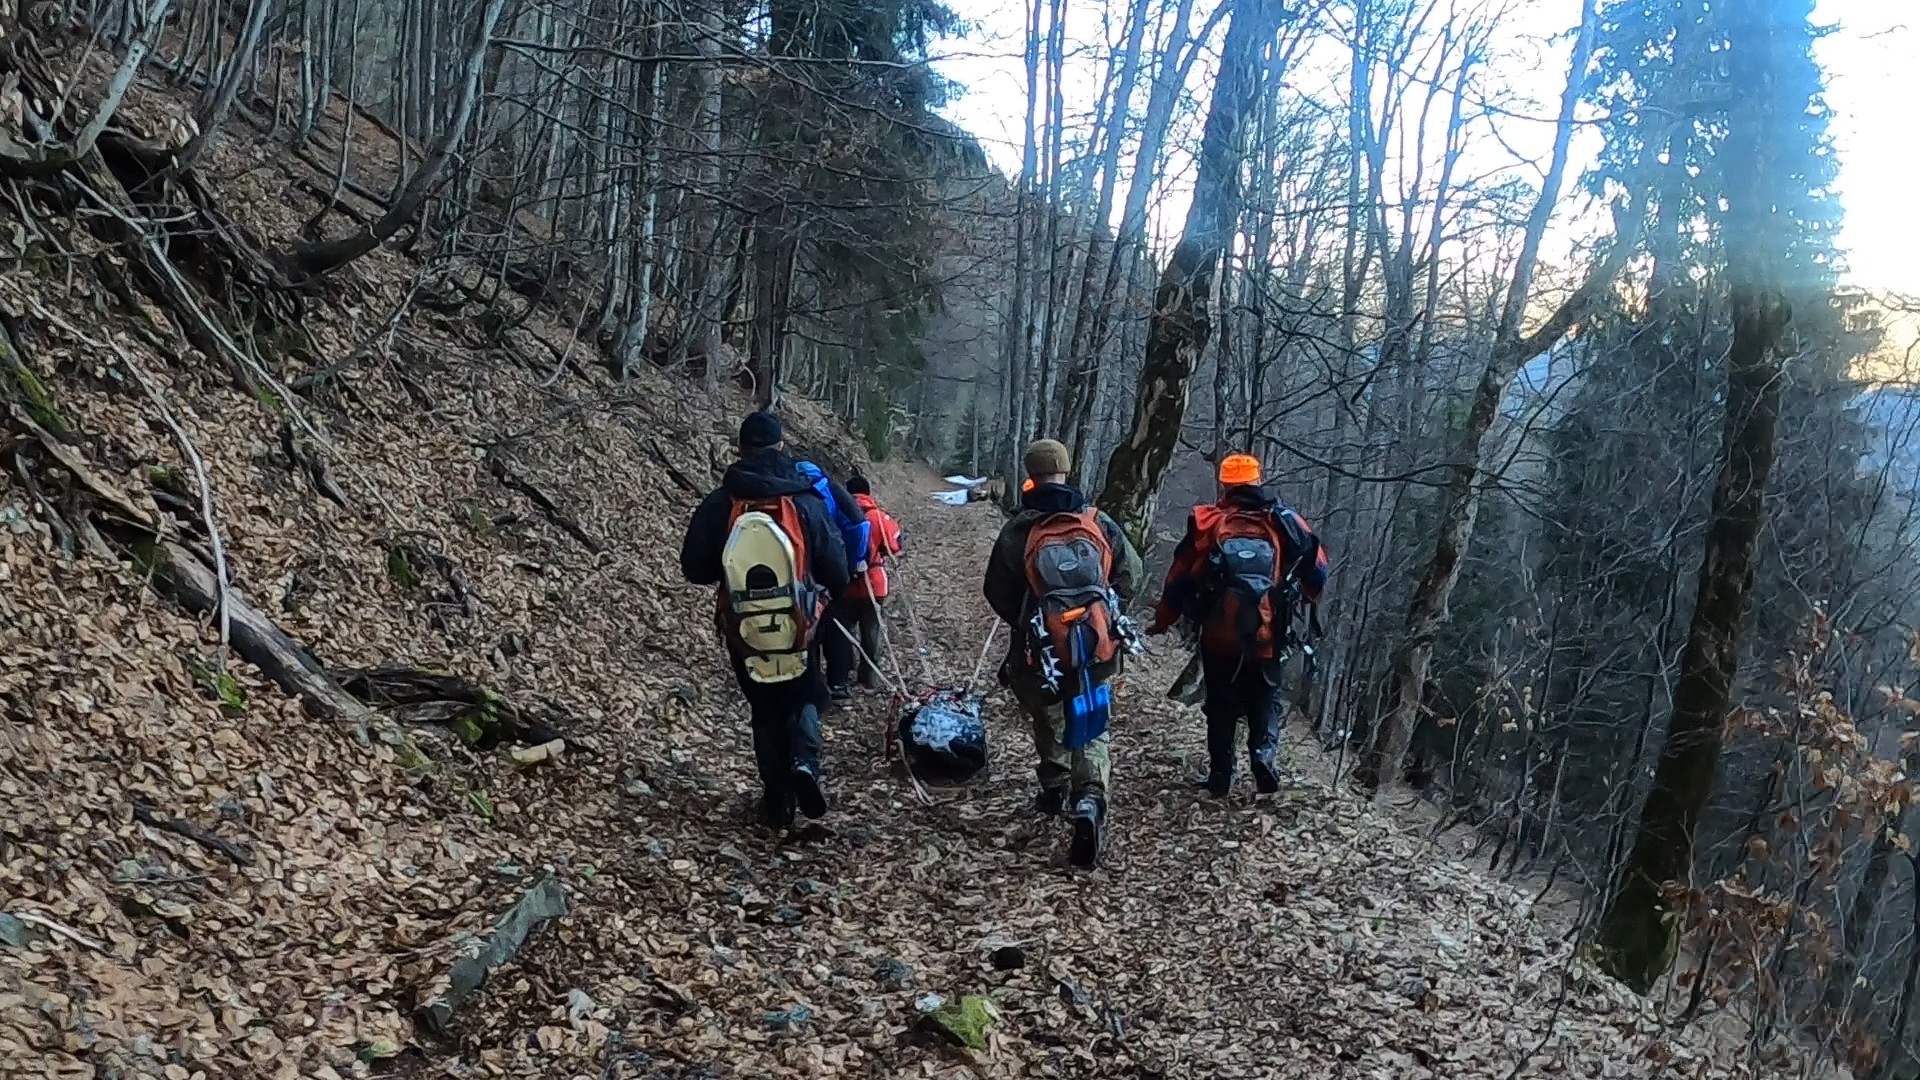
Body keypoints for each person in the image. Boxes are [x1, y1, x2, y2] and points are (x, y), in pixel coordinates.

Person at [680, 411, 851, 829]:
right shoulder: (805, 501)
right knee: (806, 694)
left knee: (764, 708)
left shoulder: (722, 503)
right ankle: (805, 762)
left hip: (745, 630)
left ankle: (776, 803)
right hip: (800, 624)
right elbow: (838, 571)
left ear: (740, 449)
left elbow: (694, 569)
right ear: (780, 447)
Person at [984, 438, 1142, 867]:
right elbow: (1132, 575)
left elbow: (995, 590)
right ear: (1067, 471)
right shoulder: (1097, 521)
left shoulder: (1019, 529)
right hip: (1095, 643)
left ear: (1030, 475)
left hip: (1040, 650)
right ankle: (1089, 798)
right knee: (1091, 720)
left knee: (1047, 711)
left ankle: (1055, 784)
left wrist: (1027, 623)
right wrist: (1107, 614)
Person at [1148, 452, 1328, 797]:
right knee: (1266, 697)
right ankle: (1263, 756)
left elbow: (1179, 576)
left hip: (1219, 636)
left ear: (1225, 484)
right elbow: (1318, 568)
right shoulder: (1286, 522)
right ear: (1258, 480)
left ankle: (1220, 776)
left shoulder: (1209, 523)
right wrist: (1304, 596)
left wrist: (1163, 620)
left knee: (1220, 703)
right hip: (1268, 634)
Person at [793, 458, 870, 701]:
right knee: (837, 625)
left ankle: (811, 683)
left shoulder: (790, 490)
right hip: (834, 568)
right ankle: (838, 683)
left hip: (800, 570)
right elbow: (859, 524)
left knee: (807, 625)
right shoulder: (833, 489)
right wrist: (854, 560)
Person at [825, 474, 903, 693]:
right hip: (874, 584)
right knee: (871, 632)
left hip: (845, 584)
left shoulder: (836, 514)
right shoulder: (879, 517)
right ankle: (869, 678)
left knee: (843, 631)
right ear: (868, 493)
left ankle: (843, 672)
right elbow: (895, 545)